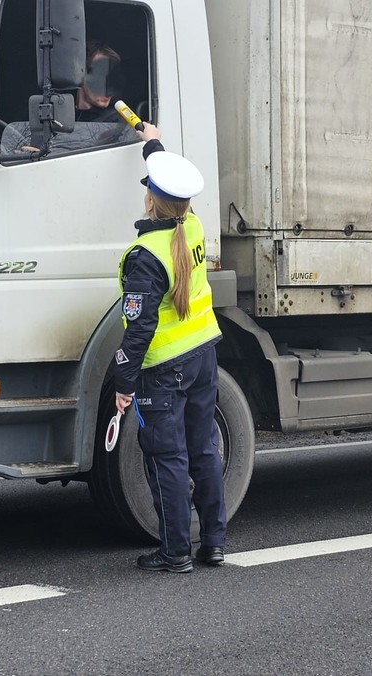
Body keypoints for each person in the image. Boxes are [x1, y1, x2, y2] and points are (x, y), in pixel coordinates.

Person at [114, 123, 228, 573]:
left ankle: (175, 552)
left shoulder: (146, 255)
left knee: (167, 456)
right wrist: (153, 143)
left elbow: (138, 331)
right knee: (203, 450)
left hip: (164, 369)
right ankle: (214, 544)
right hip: (204, 355)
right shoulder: (193, 227)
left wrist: (124, 382)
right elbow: (173, 186)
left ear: (149, 201)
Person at [0, 41, 134, 154]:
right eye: (100, 75)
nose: (108, 87)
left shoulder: (117, 124)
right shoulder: (51, 110)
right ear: (80, 74)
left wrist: (49, 156)